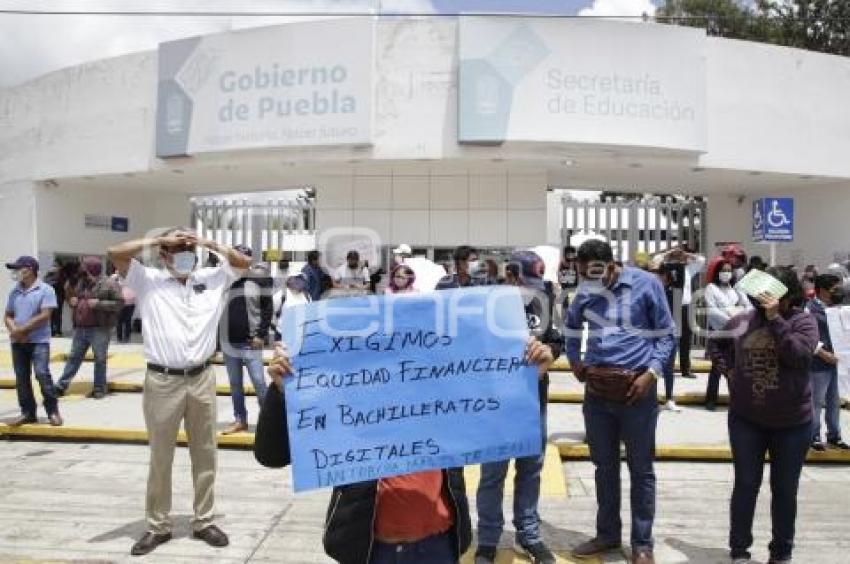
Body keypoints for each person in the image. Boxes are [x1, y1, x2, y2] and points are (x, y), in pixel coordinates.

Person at [266, 326, 555, 564]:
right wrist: (281, 391)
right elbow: (272, 455)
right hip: (369, 551)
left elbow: (505, 430)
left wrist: (533, 378)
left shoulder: (443, 404)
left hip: (438, 548)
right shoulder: (348, 408)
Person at [108, 227, 250, 556]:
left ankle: (204, 520)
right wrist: (159, 239)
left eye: (189, 249)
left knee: (205, 453)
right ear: (164, 255)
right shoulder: (147, 279)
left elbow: (244, 261)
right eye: (178, 249)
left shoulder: (213, 278)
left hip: (201, 378)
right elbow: (115, 252)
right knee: (161, 456)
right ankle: (158, 525)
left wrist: (205, 241)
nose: (186, 253)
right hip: (162, 380)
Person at [565, 240, 675, 564]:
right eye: (585, 275)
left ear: (612, 265)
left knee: (641, 470)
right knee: (604, 467)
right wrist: (574, 362)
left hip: (636, 391)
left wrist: (651, 374)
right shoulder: (585, 291)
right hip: (597, 393)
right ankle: (607, 534)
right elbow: (571, 329)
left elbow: (666, 335)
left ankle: (642, 544)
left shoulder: (647, 284)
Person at [710, 267, 818, 564]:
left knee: (784, 489)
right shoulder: (742, 320)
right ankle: (739, 549)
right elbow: (716, 343)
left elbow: (799, 356)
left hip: (792, 423)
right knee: (746, 484)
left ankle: (781, 552)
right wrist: (728, 370)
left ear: (787, 294)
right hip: (747, 420)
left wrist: (775, 321)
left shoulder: (803, 323)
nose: (763, 298)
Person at [474, 251, 561, 564]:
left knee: (530, 470)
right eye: (526, 281)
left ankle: (529, 534)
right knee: (492, 474)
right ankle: (487, 539)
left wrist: (548, 350)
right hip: (495, 405)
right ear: (509, 277)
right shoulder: (483, 306)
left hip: (532, 402)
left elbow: (557, 342)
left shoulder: (545, 302)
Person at [220, 245, 272, 435]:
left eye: (244, 257)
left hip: (250, 342)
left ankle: (269, 422)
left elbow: (267, 310)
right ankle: (240, 420)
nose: (239, 260)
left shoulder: (259, 280)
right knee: (235, 384)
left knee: (259, 382)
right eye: (236, 256)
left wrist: (261, 335)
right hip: (228, 342)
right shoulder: (224, 279)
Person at [4, 256, 62, 427]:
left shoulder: (46, 290)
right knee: (22, 379)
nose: (15, 272)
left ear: (29, 269)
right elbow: (8, 315)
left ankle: (53, 411)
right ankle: (28, 412)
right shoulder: (14, 291)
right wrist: (14, 330)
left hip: (38, 341)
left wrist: (22, 330)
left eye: (18, 268)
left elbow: (45, 315)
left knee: (42, 374)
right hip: (18, 343)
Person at [55, 256, 123, 399]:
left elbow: (119, 303)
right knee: (74, 358)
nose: (81, 270)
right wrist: (72, 301)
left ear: (91, 268)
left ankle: (99, 388)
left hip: (99, 329)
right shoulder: (80, 282)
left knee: (100, 359)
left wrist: (99, 304)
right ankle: (61, 385)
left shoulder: (109, 283)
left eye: (84, 267)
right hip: (80, 328)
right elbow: (71, 295)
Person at [807, 274, 850, 452]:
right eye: (834, 289)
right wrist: (823, 354)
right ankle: (813, 436)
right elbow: (808, 336)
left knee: (834, 401)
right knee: (816, 401)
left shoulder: (839, 309)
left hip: (837, 363)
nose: (838, 292)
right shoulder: (810, 309)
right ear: (823, 290)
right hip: (819, 364)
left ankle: (834, 435)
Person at [703, 260, 752, 411]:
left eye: (729, 270)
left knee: (736, 366)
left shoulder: (737, 289)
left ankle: (736, 399)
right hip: (719, 332)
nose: (727, 273)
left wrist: (741, 317)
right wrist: (732, 320)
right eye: (723, 270)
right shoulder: (711, 288)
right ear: (718, 272)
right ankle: (711, 400)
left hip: (737, 333)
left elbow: (748, 306)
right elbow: (712, 310)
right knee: (717, 367)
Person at [652, 245, 705, 379]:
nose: (679, 258)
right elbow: (655, 259)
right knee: (669, 339)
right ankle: (665, 368)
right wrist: (669, 253)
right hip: (671, 307)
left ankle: (685, 369)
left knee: (686, 339)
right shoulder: (666, 268)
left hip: (686, 307)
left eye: (681, 256)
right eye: (677, 256)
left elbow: (701, 260)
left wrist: (687, 254)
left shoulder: (688, 270)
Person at [652, 262, 680, 412]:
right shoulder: (651, 292)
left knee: (669, 369)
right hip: (654, 335)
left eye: (661, 274)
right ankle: (653, 400)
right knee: (654, 367)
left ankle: (669, 398)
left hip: (671, 334)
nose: (658, 277)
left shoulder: (672, 292)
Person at [44, 260, 67, 337]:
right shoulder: (49, 274)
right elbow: (45, 282)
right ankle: (51, 331)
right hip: (50, 297)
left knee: (57, 314)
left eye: (56, 265)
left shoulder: (62, 274)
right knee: (51, 314)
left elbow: (62, 283)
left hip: (59, 297)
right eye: (54, 265)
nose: (55, 267)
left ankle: (57, 331)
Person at [113, 270, 136, 343]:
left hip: (130, 301)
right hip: (120, 301)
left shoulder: (131, 277)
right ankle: (120, 338)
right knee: (119, 321)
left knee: (127, 321)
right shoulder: (116, 277)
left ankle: (126, 338)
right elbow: (112, 283)